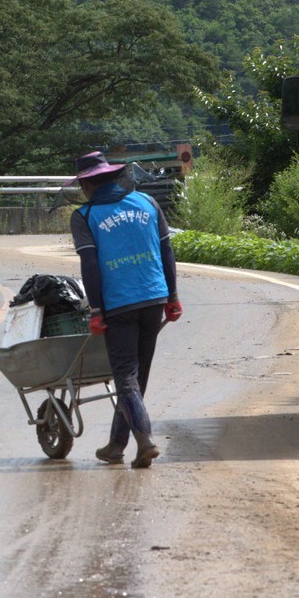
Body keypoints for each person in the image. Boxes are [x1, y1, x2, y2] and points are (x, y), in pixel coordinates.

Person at [69, 151, 183, 468]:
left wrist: (95, 310)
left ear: (86, 185)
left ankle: (144, 440)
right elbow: (166, 251)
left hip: (119, 304)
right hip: (154, 298)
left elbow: (90, 264)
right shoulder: (148, 203)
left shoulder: (84, 216)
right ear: (114, 177)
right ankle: (116, 445)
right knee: (137, 376)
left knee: (125, 378)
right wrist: (172, 296)